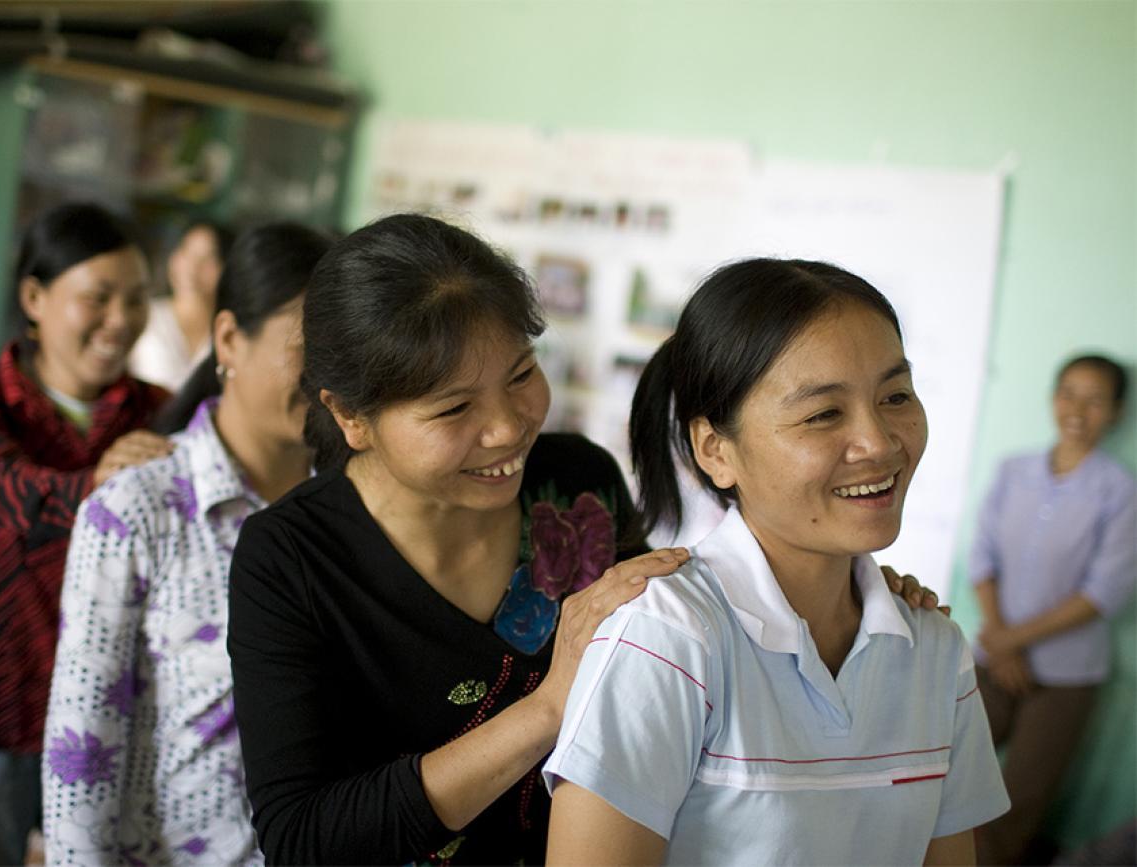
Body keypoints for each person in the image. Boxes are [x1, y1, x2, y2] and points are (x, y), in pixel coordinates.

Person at [227, 216, 939, 865]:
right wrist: (545, 708)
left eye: (521, 376)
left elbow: (657, 652)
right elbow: (304, 837)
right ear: (351, 416)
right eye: (454, 407)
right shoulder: (288, 558)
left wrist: (851, 601)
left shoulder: (576, 482)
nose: (509, 427)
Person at [543, 259, 1009, 865]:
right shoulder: (668, 637)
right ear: (716, 450)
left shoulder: (935, 650)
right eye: (823, 414)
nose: (880, 442)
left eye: (895, 395)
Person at [41, 223, 333, 866]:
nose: (330, 381)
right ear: (229, 338)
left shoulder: (354, 508)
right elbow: (81, 752)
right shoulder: (136, 511)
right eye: (311, 349)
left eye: (349, 354)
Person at [0, 202, 173, 867]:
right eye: (98, 297)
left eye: (137, 299)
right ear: (33, 296)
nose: (120, 320)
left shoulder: (161, 412)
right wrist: (101, 485)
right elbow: (4, 494)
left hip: (112, 720)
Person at [969, 353, 1135, 865]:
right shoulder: (1013, 470)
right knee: (946, 769)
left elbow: (1103, 592)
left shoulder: (1121, 491)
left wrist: (1010, 641)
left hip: (1066, 675)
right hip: (993, 658)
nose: (1077, 409)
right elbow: (981, 557)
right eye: (1069, 393)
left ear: (1116, 412)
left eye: (1095, 399)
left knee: (1021, 799)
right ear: (1052, 397)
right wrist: (999, 637)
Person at [128, 220, 231, 391]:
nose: (193, 267)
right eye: (186, 252)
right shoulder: (144, 315)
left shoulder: (230, 330)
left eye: (208, 258)